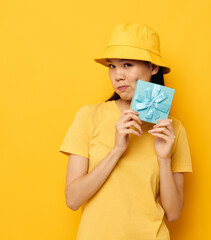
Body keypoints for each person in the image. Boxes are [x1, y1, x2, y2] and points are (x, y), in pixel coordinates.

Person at [59, 23, 193, 240]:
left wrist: (164, 158)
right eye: (112, 66)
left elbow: (174, 213)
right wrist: (117, 150)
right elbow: (73, 200)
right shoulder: (88, 116)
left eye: (127, 65)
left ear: (153, 68)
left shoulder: (172, 129)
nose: (117, 75)